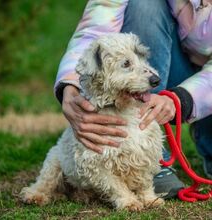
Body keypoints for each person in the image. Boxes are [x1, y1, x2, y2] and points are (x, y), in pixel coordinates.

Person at [54, 0, 212, 198]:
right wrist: (70, 85)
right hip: (169, 63)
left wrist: (183, 98)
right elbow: (96, 31)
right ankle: (152, 163)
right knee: (145, 5)